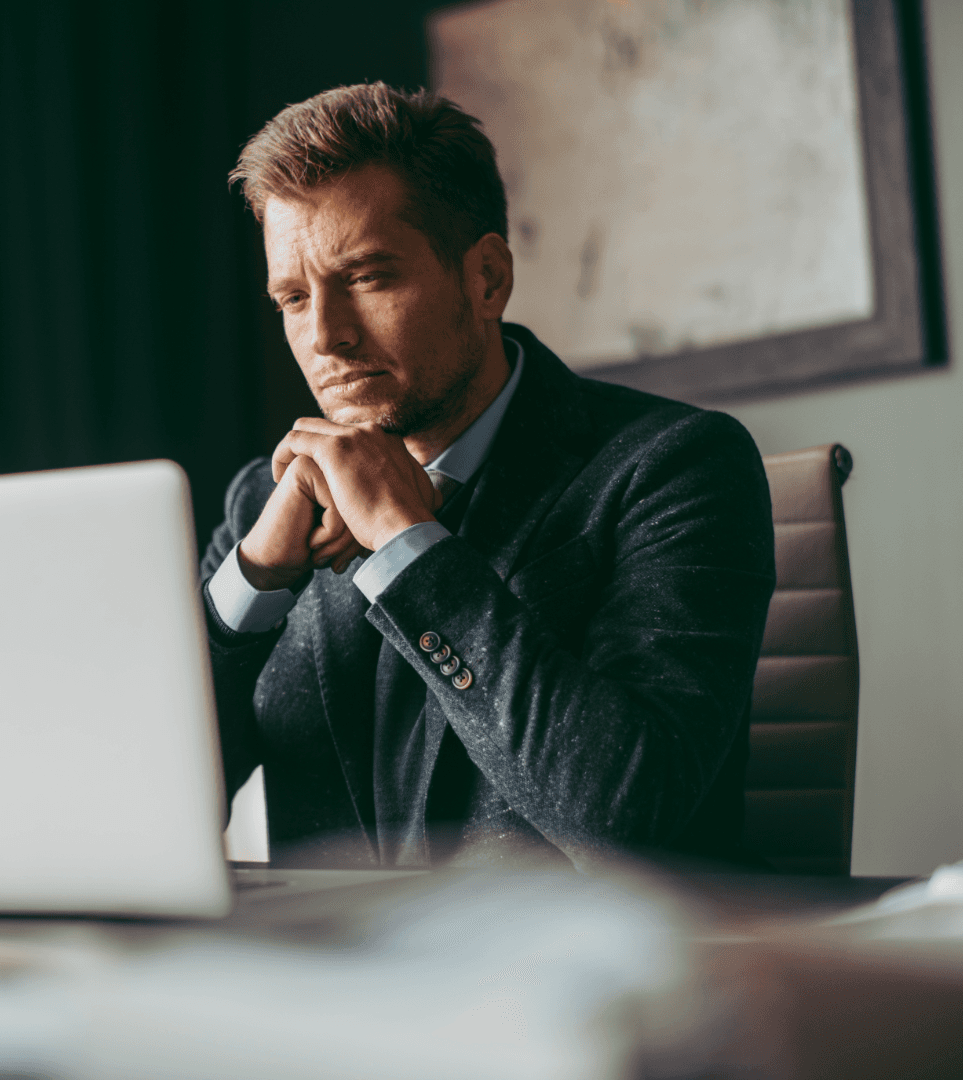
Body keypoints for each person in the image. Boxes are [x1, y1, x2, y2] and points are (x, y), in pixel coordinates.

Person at [202, 82, 775, 870]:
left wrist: (408, 548)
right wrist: (252, 583)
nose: (325, 336)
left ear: (487, 279)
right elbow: (130, 806)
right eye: (293, 298)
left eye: (367, 277)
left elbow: (622, 815)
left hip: (578, 981)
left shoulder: (676, 466)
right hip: (326, 976)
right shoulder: (260, 505)